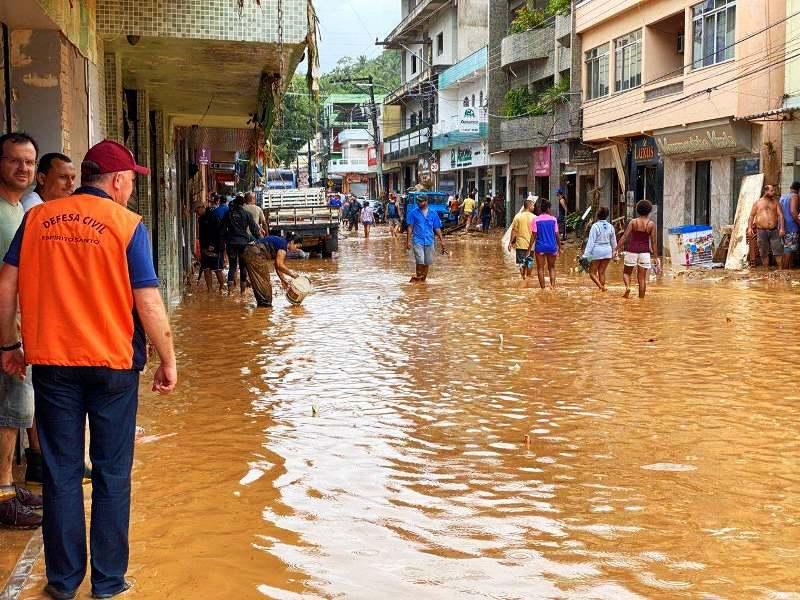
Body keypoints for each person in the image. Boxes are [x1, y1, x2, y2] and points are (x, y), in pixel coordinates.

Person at [0, 138, 177, 598]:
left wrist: (9, 345)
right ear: (118, 181)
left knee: (59, 472)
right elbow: (149, 300)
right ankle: (108, 584)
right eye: (131, 183)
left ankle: (61, 583)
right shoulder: (126, 224)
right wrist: (168, 357)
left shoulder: (36, 217)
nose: (131, 192)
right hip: (113, 366)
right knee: (111, 474)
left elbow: (5, 285)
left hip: (53, 364)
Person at [0, 132, 42, 530]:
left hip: (17, 330)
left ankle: (10, 486)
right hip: (5, 334)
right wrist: (8, 339)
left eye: (28, 162)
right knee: (10, 412)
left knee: (15, 411)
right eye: (15, 160)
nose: (23, 168)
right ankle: (4, 495)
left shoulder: (22, 212)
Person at [243, 234, 302, 307]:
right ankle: (264, 309)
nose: (296, 249)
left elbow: (277, 265)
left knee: (260, 282)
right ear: (292, 242)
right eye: (297, 247)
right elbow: (279, 264)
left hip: (249, 251)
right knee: (264, 284)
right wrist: (293, 275)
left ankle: (260, 309)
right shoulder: (283, 246)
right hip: (255, 253)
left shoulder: (281, 241)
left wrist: (283, 280)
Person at [618, 199, 659, 298]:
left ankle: (628, 287)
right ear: (649, 211)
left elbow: (624, 236)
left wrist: (616, 248)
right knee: (642, 279)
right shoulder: (651, 224)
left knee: (626, 273)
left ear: (637, 210)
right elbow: (654, 242)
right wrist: (656, 257)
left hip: (632, 251)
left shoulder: (633, 222)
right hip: (645, 253)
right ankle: (641, 301)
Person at [223, 195, 260, 294]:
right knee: (243, 266)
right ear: (243, 204)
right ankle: (242, 292)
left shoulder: (228, 214)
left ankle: (230, 292)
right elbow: (254, 230)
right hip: (244, 243)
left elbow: (222, 229)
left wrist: (226, 239)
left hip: (231, 243)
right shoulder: (247, 214)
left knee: (232, 266)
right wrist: (259, 240)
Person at [406, 194, 446, 283]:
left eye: (420, 201)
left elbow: (437, 228)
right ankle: (418, 278)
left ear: (426, 202)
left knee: (427, 262)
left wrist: (442, 241)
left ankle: (422, 281)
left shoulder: (433, 213)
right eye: (418, 201)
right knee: (420, 261)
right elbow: (410, 227)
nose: (418, 203)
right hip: (417, 240)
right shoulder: (413, 213)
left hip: (429, 240)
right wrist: (407, 241)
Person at [525, 199, 561, 289]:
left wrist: (529, 249)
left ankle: (543, 289)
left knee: (540, 269)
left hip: (540, 247)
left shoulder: (536, 220)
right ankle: (552, 286)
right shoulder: (554, 220)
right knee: (552, 267)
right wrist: (560, 247)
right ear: (548, 209)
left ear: (540, 209)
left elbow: (533, 236)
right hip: (552, 247)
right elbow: (557, 234)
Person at [748, 184, 784, 268]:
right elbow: (751, 216)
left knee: (778, 251)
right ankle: (766, 270)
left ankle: (780, 269)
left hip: (774, 230)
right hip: (761, 231)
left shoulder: (775, 202)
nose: (773, 192)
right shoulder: (758, 203)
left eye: (773, 190)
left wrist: (782, 228)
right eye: (771, 191)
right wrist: (749, 228)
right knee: (764, 252)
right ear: (766, 191)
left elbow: (780, 215)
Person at [582, 207, 617, 291]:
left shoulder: (595, 226)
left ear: (597, 215)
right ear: (607, 216)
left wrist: (585, 255)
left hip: (597, 252)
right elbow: (614, 242)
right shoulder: (611, 226)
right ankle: (601, 290)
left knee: (592, 273)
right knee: (602, 272)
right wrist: (615, 253)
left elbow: (591, 242)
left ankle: (601, 287)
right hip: (607, 252)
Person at [195, 203, 226, 292]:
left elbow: (218, 231)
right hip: (204, 247)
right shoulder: (200, 219)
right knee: (206, 268)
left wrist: (213, 244)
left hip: (215, 247)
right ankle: (210, 289)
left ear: (202, 207)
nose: (197, 213)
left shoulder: (214, 215)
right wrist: (201, 249)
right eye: (196, 212)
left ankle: (222, 286)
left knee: (217, 269)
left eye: (198, 211)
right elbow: (201, 234)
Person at [508, 197, 536, 280]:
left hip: (520, 245)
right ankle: (528, 277)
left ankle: (523, 277)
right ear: (529, 206)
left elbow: (514, 231)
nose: (534, 207)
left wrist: (510, 242)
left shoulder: (518, 217)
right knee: (530, 262)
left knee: (521, 263)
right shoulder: (535, 217)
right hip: (531, 245)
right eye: (533, 206)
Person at [779, 182, 800, 269]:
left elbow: (780, 212)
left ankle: (787, 270)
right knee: (789, 250)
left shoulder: (783, 196)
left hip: (782, 227)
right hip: (791, 227)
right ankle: (785, 270)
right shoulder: (794, 196)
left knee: (787, 249)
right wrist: (799, 222)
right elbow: (793, 212)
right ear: (798, 190)